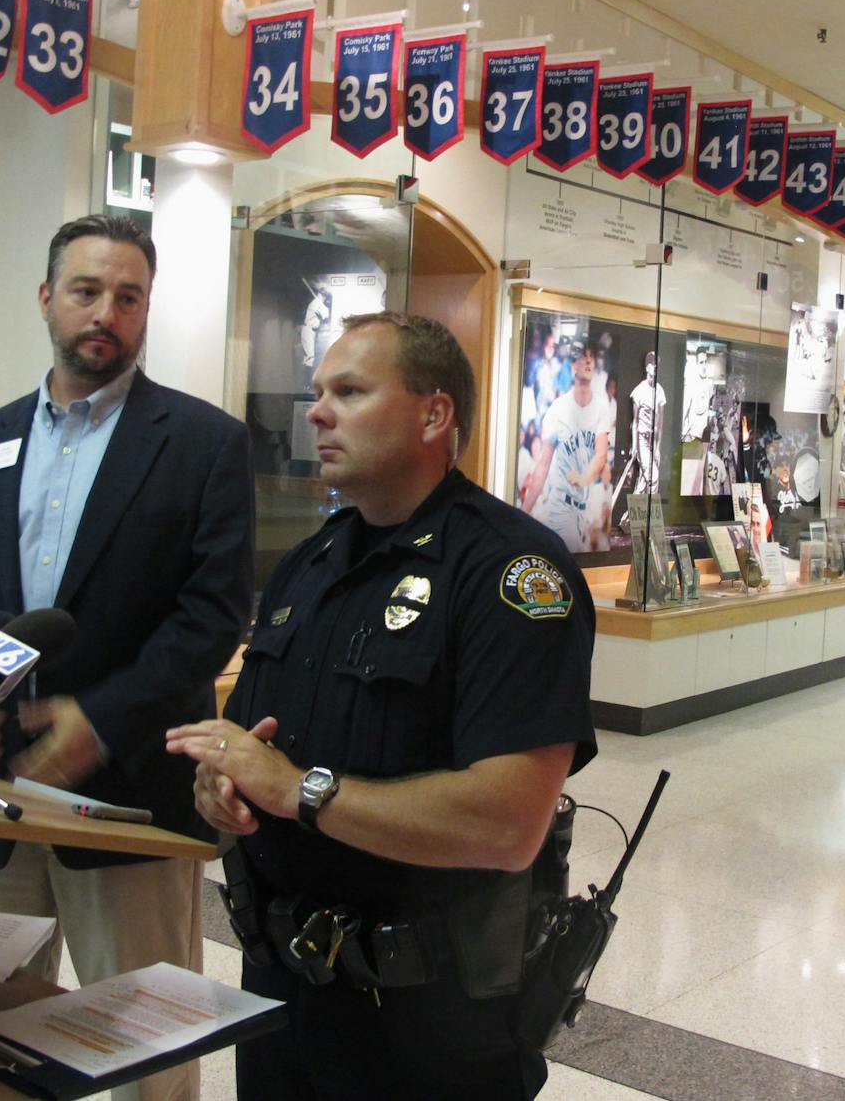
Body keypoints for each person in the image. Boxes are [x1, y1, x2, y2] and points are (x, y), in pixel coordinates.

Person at [165, 312, 597, 1100]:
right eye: (317, 392)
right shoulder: (308, 568)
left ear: (434, 414)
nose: (317, 412)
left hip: (428, 1028)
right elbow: (254, 750)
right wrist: (223, 788)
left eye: (350, 391)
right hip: (280, 998)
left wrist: (301, 790)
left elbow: (508, 824)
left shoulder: (511, 574)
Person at [0, 214, 255, 1101]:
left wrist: (101, 720)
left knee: (146, 1058)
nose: (107, 313)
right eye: (88, 290)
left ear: (145, 312)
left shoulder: (204, 444)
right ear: (47, 297)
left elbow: (210, 617)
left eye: (128, 297)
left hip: (128, 794)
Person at [521, 339, 610, 552]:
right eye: (582, 356)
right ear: (573, 365)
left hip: (584, 510)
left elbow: (601, 455)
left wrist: (583, 478)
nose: (588, 360)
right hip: (561, 507)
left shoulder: (601, 405)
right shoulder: (558, 409)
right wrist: (522, 514)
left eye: (591, 356)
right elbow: (542, 467)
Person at [626, 351, 666, 495]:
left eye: (657, 364)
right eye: (652, 363)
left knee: (643, 482)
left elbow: (660, 423)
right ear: (647, 367)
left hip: (652, 441)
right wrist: (635, 446)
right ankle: (648, 514)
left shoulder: (660, 391)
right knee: (653, 478)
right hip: (642, 439)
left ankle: (629, 518)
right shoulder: (639, 391)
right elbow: (635, 422)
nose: (655, 366)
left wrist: (658, 448)